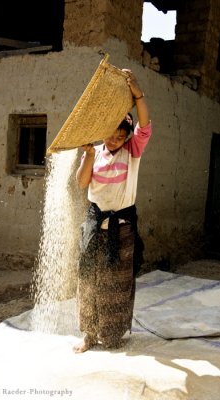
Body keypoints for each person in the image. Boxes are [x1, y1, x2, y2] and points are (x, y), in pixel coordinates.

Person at [73, 69, 152, 353]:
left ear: (127, 138)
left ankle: (113, 335)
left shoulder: (132, 152)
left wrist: (137, 93)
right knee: (89, 280)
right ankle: (89, 335)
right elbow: (83, 182)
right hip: (95, 225)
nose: (113, 142)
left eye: (120, 138)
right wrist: (90, 156)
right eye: (110, 136)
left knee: (117, 283)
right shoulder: (94, 151)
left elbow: (145, 125)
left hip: (122, 226)